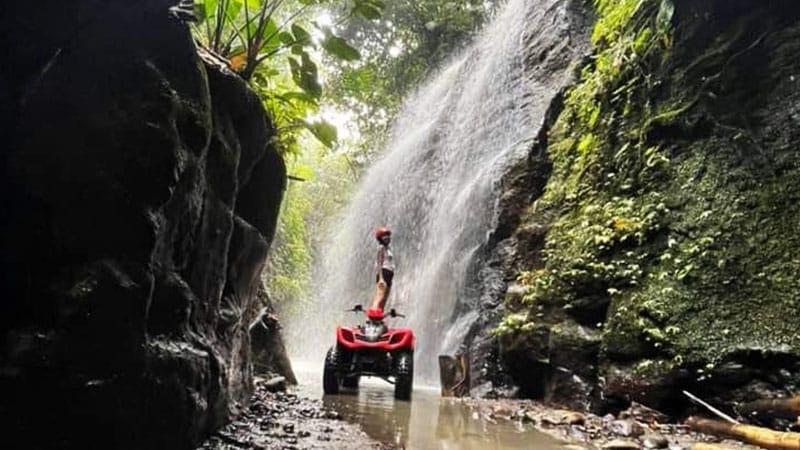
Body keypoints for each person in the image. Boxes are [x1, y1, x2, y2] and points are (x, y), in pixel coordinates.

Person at [371, 226, 394, 311]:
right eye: (385, 237)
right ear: (380, 239)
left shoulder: (388, 249)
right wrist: (380, 277)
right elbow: (379, 263)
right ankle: (374, 313)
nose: (387, 239)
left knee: (385, 297)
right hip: (383, 272)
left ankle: (380, 313)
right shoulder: (381, 248)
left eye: (388, 237)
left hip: (389, 273)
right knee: (380, 295)